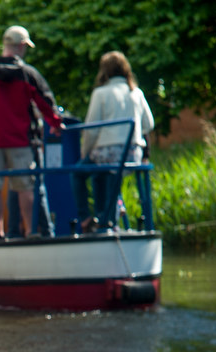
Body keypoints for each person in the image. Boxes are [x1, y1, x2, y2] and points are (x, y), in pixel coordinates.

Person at [0, 25, 63, 238]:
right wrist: (56, 123)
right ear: (21, 46)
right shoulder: (27, 74)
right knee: (25, 187)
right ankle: (30, 231)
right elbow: (44, 101)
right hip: (21, 140)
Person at [74, 51, 154, 231]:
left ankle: (88, 218)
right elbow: (149, 124)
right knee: (104, 174)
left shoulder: (100, 93)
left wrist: (85, 151)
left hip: (106, 154)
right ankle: (109, 216)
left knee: (78, 173)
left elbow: (91, 129)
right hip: (131, 153)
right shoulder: (137, 93)